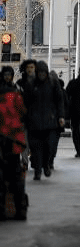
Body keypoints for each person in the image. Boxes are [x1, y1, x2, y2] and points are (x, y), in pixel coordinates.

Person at [23, 61, 64, 181]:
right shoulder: (31, 84)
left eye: (43, 73)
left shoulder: (53, 83)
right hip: (34, 122)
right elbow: (26, 102)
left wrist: (60, 116)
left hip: (49, 122)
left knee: (48, 147)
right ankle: (37, 171)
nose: (41, 75)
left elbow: (59, 100)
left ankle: (46, 164)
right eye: (39, 72)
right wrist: (25, 118)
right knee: (35, 148)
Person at [0, 65, 28, 220]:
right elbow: (23, 113)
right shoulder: (16, 94)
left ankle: (2, 210)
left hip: (2, 140)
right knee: (15, 177)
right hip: (13, 139)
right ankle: (19, 209)